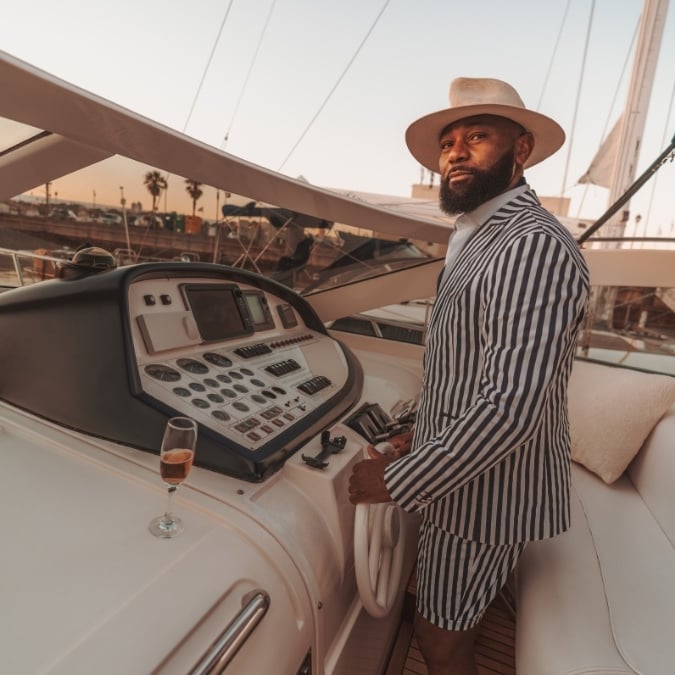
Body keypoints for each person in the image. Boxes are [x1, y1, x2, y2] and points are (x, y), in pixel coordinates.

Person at [348, 77, 589, 675]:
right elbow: (467, 370)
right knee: (444, 615)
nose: (455, 151)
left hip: (488, 496)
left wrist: (400, 477)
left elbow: (511, 404)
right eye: (448, 141)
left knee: (440, 636)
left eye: (477, 136)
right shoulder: (477, 234)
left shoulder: (531, 244)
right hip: (463, 472)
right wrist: (420, 431)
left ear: (522, 150)